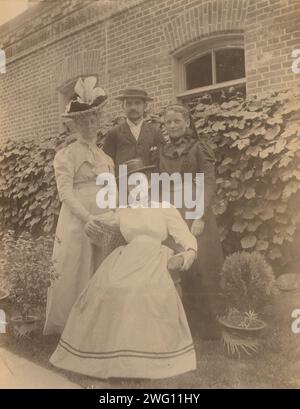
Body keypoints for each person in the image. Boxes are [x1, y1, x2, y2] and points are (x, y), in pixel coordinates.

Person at [49, 159, 197, 380]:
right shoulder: (123, 211)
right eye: (130, 182)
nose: (135, 186)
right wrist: (88, 222)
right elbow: (98, 222)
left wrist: (186, 256)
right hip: (126, 257)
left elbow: (187, 238)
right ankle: (112, 354)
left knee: (140, 289)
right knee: (109, 288)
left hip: (155, 257)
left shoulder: (164, 208)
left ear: (148, 182)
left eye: (140, 180)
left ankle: (142, 357)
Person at [43, 77, 114, 335]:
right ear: (75, 124)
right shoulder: (67, 155)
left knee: (99, 265)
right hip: (77, 219)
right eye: (84, 121)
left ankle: (95, 323)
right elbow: (65, 192)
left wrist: (110, 216)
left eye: (93, 120)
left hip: (102, 217)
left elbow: (111, 190)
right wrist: (87, 217)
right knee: (75, 266)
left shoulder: (104, 157)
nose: (89, 125)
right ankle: (69, 324)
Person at [159, 103, 224, 340]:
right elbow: (162, 186)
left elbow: (208, 182)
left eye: (177, 121)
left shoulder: (199, 147)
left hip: (197, 213)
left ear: (187, 123)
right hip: (175, 215)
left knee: (203, 267)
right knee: (181, 266)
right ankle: (188, 327)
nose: (173, 126)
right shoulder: (164, 151)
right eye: (169, 122)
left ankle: (211, 328)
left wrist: (200, 215)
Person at [103, 88, 164, 170]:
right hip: (123, 181)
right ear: (123, 106)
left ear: (145, 106)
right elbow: (107, 164)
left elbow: (162, 162)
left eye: (137, 103)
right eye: (129, 104)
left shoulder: (155, 132)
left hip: (149, 181)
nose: (133, 107)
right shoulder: (113, 133)